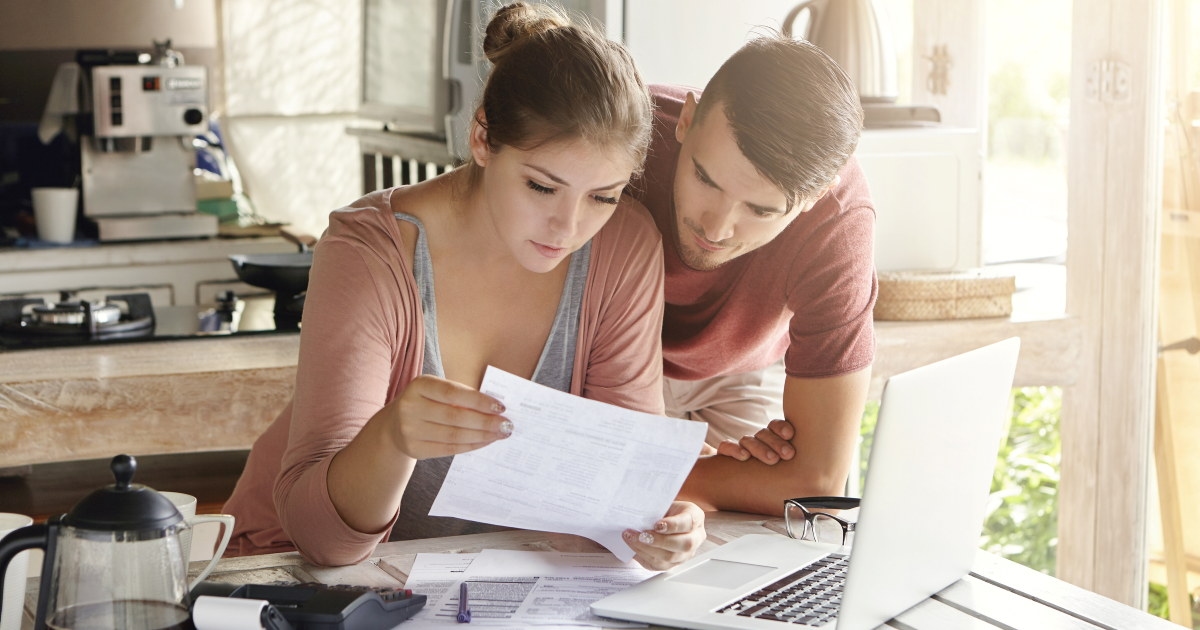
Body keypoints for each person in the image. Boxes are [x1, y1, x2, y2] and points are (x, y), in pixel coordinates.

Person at [221, 2, 704, 571]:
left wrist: (657, 525)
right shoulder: (369, 252)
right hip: (295, 575)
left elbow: (613, 494)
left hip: (481, 584)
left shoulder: (624, 246)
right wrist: (391, 439)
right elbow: (323, 544)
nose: (568, 227)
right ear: (481, 138)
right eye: (542, 187)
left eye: (602, 195)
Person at [628, 35, 877, 516]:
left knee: (769, 539)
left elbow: (817, 483)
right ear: (686, 119)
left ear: (813, 197)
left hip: (740, 370)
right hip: (610, 360)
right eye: (705, 178)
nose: (715, 228)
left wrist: (651, 472)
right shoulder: (623, 131)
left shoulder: (839, 221)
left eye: (760, 209)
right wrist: (699, 475)